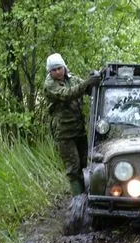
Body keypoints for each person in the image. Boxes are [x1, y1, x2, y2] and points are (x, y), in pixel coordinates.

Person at [43, 53, 101, 195]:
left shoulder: (72, 79)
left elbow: (87, 89)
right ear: (49, 72)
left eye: (59, 68)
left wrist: (98, 78)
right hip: (64, 133)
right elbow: (67, 94)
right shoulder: (49, 85)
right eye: (53, 70)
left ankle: (85, 196)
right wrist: (88, 82)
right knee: (73, 168)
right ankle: (77, 200)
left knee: (84, 164)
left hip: (79, 130)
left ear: (64, 67)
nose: (57, 72)